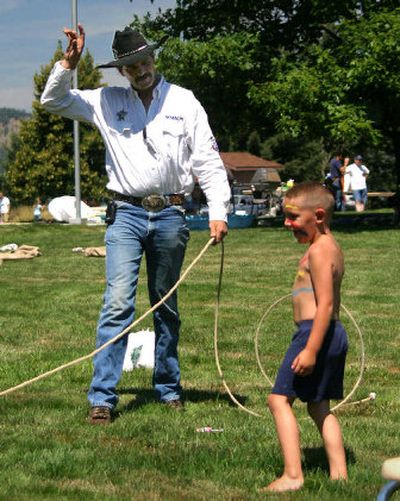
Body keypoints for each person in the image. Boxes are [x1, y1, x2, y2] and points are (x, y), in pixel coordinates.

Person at [41, 25, 231, 424]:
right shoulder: (105, 101)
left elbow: (207, 160)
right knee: (118, 304)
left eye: (144, 61)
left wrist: (219, 210)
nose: (140, 69)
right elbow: (52, 100)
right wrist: (67, 65)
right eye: (131, 65)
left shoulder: (185, 101)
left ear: (153, 59)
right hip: (124, 213)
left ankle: (167, 388)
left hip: (171, 213)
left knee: (166, 304)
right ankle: (103, 397)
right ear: (122, 72)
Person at [262, 182, 348, 493]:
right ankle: (339, 476)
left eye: (293, 217)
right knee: (318, 406)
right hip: (328, 333)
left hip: (316, 333)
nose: (287, 223)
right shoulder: (327, 246)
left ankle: (293, 475)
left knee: (278, 400)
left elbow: (324, 303)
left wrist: (311, 348)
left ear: (319, 215)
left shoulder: (321, 250)